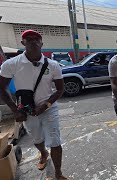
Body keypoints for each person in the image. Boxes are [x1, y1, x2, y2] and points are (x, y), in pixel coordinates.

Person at [0, 30, 68, 179]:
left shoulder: (53, 65)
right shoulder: (11, 64)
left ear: (42, 43)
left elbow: (60, 89)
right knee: (37, 139)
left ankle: (58, 173)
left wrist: (45, 105)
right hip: (26, 110)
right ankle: (43, 153)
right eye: (28, 39)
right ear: (23, 43)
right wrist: (15, 110)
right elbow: (2, 87)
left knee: (55, 141)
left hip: (48, 108)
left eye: (37, 39)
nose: (33, 41)